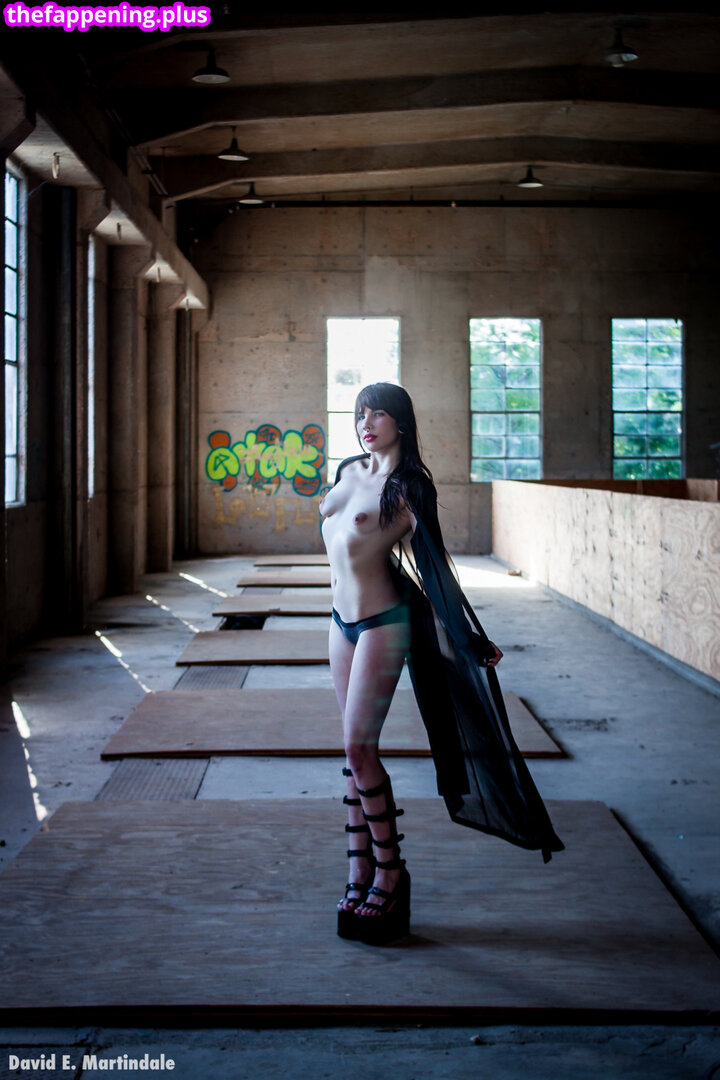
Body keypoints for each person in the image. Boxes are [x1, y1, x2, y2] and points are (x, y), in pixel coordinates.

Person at [319, 382, 564, 946]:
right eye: (360, 414)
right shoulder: (347, 470)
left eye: (378, 414)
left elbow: (433, 567)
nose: (366, 423)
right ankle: (358, 868)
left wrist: (469, 635)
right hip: (338, 622)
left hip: (382, 622)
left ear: (401, 422)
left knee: (358, 748)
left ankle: (390, 873)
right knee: (354, 754)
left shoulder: (410, 488)